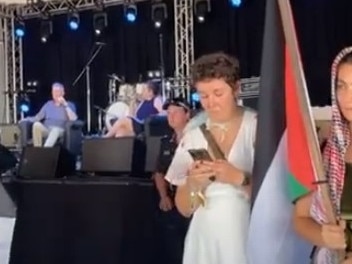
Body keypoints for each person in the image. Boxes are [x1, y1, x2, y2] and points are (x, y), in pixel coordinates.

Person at [165, 52, 257, 264]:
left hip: (247, 232)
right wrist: (193, 184)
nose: (211, 102)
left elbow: (280, 196)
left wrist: (239, 179)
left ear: (236, 89)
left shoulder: (256, 127)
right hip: (204, 237)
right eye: (203, 95)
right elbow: (184, 209)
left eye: (218, 93)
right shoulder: (193, 135)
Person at [293, 47, 352, 264]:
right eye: (341, 86)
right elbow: (300, 218)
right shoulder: (323, 149)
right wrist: (323, 236)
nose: (347, 97)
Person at [152, 98, 191, 264]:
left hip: (193, 201)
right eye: (168, 113)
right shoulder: (166, 141)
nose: (171, 116)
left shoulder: (197, 138)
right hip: (172, 201)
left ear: (187, 114)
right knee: (173, 248)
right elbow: (159, 171)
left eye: (175, 112)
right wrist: (163, 196)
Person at [24, 82, 77, 147]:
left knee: (55, 130)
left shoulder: (69, 104)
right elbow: (37, 117)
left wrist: (65, 105)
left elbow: (74, 119)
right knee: (36, 125)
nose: (55, 93)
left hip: (60, 130)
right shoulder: (48, 104)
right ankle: (38, 150)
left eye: (58, 91)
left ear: (63, 93)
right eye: (54, 91)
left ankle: (46, 151)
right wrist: (26, 119)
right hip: (47, 129)